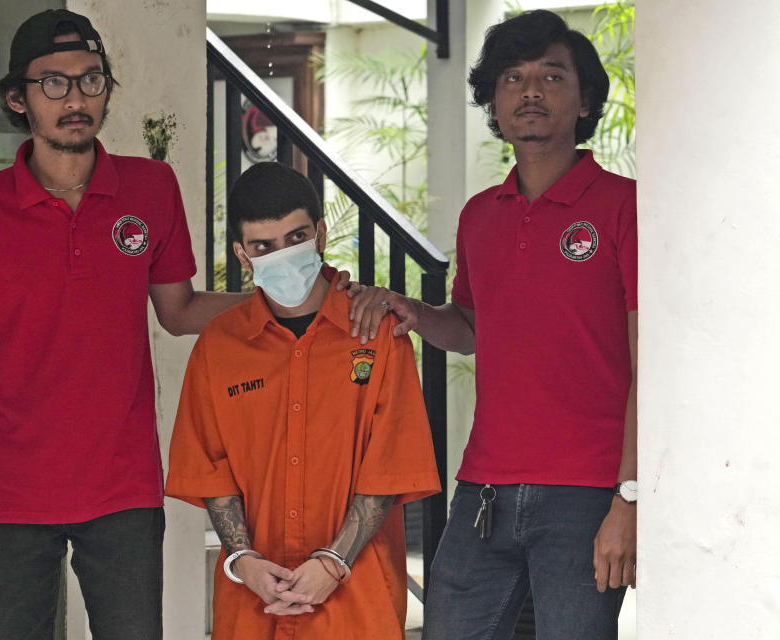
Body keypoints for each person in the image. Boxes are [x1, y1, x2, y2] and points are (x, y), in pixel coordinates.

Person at [0, 9, 250, 637]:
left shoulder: (152, 188)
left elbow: (178, 312)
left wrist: (288, 299)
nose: (76, 98)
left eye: (91, 80)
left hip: (123, 489)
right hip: (11, 493)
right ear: (19, 97)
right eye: (54, 83)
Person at [347, 10, 638, 639]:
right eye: (513, 77)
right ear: (494, 100)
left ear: (586, 98)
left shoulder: (626, 207)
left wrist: (630, 498)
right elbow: (474, 327)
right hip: (483, 490)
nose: (530, 91)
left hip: (587, 494)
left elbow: (651, 363)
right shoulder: (481, 215)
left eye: (552, 76)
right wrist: (416, 314)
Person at [165, 162, 441, 639]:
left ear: (320, 232)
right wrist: (243, 560)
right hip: (252, 603)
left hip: (358, 601)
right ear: (242, 254)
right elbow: (211, 470)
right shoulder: (218, 347)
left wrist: (333, 562)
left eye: (296, 238)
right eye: (263, 247)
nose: (283, 255)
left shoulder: (379, 335)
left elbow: (392, 465)